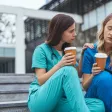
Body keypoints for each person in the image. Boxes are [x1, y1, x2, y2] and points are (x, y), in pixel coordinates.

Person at [28, 14, 105, 112]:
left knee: (98, 105)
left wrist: (82, 55)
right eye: (71, 31)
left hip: (59, 101)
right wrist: (60, 65)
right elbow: (41, 80)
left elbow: (78, 73)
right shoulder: (41, 50)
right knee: (68, 70)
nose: (75, 34)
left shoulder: (66, 51)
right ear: (59, 32)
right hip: (39, 100)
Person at [82, 13, 112, 112]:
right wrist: (94, 75)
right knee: (104, 77)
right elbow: (85, 87)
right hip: (92, 96)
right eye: (110, 28)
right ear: (103, 28)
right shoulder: (90, 51)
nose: (111, 33)